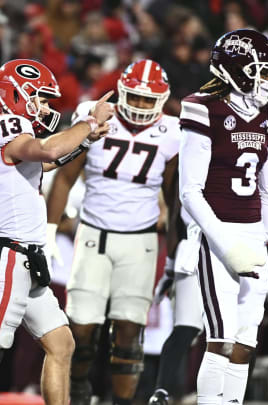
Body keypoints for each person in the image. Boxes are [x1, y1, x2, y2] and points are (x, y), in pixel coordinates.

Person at [0, 58, 114, 405]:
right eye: (40, 99)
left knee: (61, 343)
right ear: (16, 94)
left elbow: (48, 160)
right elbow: (48, 149)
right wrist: (87, 123)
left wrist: (84, 142)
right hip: (7, 256)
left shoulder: (13, 133)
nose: (45, 108)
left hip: (25, 257)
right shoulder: (4, 124)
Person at [45, 59, 179, 405]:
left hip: (141, 240)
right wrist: (47, 230)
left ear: (162, 100)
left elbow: (176, 195)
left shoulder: (174, 132)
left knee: (129, 332)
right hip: (94, 233)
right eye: (134, 97)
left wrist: (178, 250)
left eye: (149, 100)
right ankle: (77, 393)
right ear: (121, 92)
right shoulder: (94, 114)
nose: (140, 105)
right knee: (81, 327)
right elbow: (64, 175)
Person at [178, 29, 268, 405]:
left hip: (254, 231)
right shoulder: (202, 107)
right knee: (221, 339)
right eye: (263, 71)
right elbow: (189, 191)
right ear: (239, 69)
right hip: (217, 234)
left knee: (245, 340)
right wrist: (224, 243)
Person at [148, 208, 205, 405]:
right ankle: (161, 392)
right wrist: (170, 265)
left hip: (238, 246)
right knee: (186, 329)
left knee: (240, 337)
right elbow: (177, 214)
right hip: (195, 247)